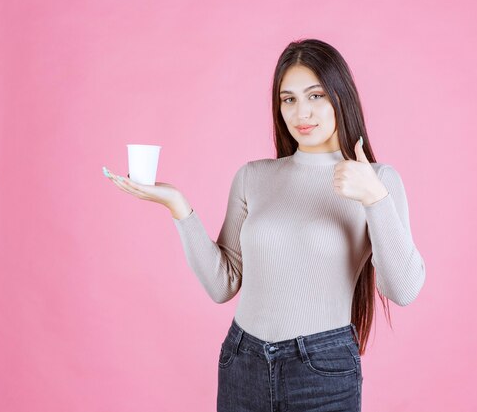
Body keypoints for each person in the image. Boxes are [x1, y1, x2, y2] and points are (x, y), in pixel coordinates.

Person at [102, 38, 425, 412]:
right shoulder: (254, 177)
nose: (301, 112)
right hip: (243, 361)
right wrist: (177, 205)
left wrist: (374, 198)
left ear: (341, 96)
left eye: (315, 95)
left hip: (321, 371)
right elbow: (223, 284)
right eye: (288, 99)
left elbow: (402, 289)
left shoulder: (378, 179)